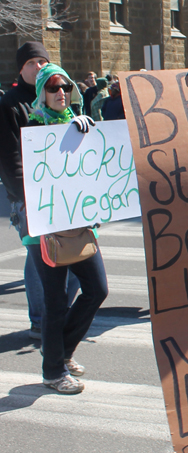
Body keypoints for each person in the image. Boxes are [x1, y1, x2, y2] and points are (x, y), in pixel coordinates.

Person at [27, 63, 108, 394]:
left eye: (66, 87)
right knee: (56, 300)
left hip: (78, 225)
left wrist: (83, 134)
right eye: (53, 87)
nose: (61, 93)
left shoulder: (79, 125)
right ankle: (53, 372)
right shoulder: (33, 126)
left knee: (97, 288)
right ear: (42, 93)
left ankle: (61, 350)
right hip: (45, 230)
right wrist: (62, 136)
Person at [0, 42, 50, 340]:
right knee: (37, 258)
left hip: (58, 195)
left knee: (68, 258)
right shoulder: (9, 104)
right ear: (21, 68)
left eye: (43, 62)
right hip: (28, 199)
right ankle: (39, 319)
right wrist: (25, 197)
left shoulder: (55, 97)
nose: (39, 67)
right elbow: (10, 160)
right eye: (32, 62)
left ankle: (55, 314)